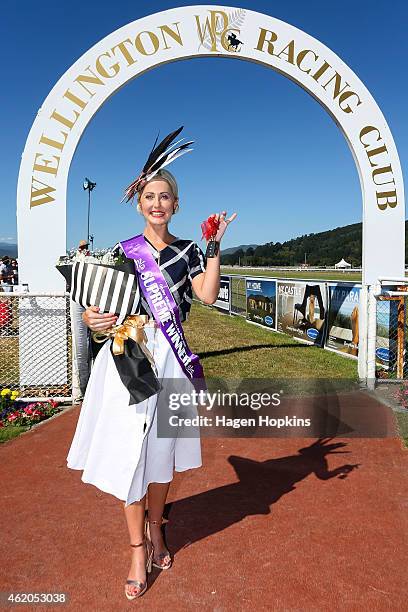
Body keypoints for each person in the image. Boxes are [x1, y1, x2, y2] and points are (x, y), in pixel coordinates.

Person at [66, 128, 237, 600]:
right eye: (149, 196)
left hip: (171, 359)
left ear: (175, 206)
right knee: (129, 455)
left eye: (165, 196)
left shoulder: (187, 252)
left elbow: (204, 295)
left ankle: (158, 528)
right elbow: (96, 306)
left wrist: (216, 246)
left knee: (162, 456)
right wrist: (92, 318)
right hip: (129, 357)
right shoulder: (121, 252)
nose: (157, 203)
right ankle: (137, 549)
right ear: (138, 203)